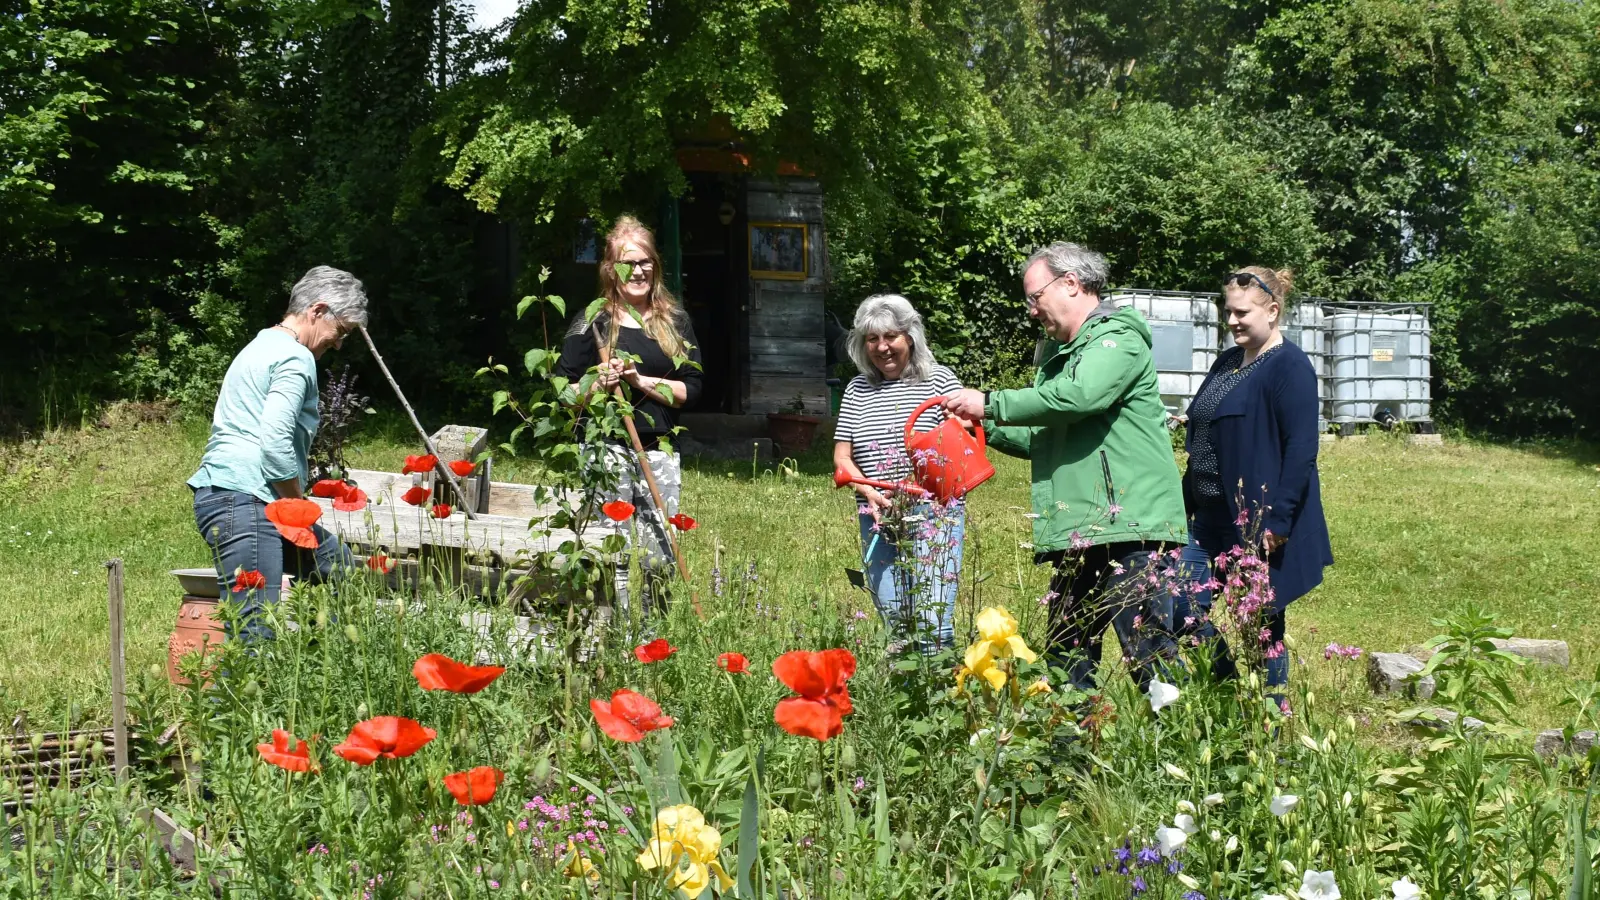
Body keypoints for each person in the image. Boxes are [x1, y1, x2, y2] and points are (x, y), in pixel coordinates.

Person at [944, 242, 1188, 692]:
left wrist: (992, 402)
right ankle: (1070, 756)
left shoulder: (1118, 340)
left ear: (1071, 284)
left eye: (1034, 298)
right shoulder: (1065, 357)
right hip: (1083, 527)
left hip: (1129, 526)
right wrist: (981, 426)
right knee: (1065, 658)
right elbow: (1047, 437)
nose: (1032, 312)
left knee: (1149, 654)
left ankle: (1175, 751)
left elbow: (1079, 397)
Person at [1176, 267, 1332, 697]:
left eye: (1241, 313)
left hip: (1249, 523)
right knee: (1180, 606)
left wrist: (1278, 521)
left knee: (1261, 623)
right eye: (1228, 312)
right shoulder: (1228, 361)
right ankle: (1228, 691)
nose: (1231, 321)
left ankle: (1272, 716)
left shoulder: (1290, 367)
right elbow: (1210, 415)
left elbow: (1301, 450)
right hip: (1202, 513)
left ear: (1273, 311)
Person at [188, 266, 365, 640]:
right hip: (248, 501)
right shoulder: (295, 358)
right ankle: (247, 693)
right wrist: (297, 508)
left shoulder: (259, 345)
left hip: (229, 496)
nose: (338, 344)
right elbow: (275, 440)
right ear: (318, 311)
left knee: (340, 567)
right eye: (342, 332)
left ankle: (321, 660)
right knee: (254, 630)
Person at [555, 216, 703, 614]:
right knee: (610, 552)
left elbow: (691, 389)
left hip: (658, 450)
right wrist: (594, 384)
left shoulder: (675, 322)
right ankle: (611, 632)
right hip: (605, 451)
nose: (637, 271)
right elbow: (562, 394)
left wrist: (639, 380)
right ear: (610, 269)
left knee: (660, 555)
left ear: (655, 265)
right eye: (627, 263)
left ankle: (654, 636)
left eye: (645, 262)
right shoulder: (592, 322)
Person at [833, 294, 967, 651]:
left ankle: (942, 698)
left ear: (910, 336)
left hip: (933, 510)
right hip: (876, 511)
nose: (882, 347)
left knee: (933, 619)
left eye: (890, 336)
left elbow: (963, 438)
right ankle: (905, 699)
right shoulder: (857, 388)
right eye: (872, 339)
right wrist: (868, 492)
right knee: (894, 616)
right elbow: (842, 458)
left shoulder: (938, 379)